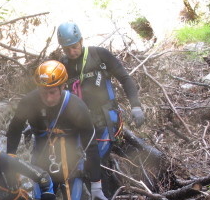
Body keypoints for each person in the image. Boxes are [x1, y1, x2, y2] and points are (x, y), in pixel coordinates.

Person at [6, 60, 105, 200]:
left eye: (52, 92)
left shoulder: (76, 107)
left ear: (63, 87)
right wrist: (10, 158)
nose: (48, 98)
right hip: (41, 167)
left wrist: (96, 183)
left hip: (72, 169)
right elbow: (15, 129)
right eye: (43, 92)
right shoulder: (29, 102)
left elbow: (91, 145)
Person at [56, 21, 145, 168]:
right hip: (78, 121)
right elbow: (54, 95)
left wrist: (136, 106)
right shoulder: (63, 65)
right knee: (74, 163)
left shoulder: (99, 55)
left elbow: (124, 78)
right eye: (67, 49)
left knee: (94, 162)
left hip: (106, 118)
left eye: (74, 47)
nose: (72, 52)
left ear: (81, 41)